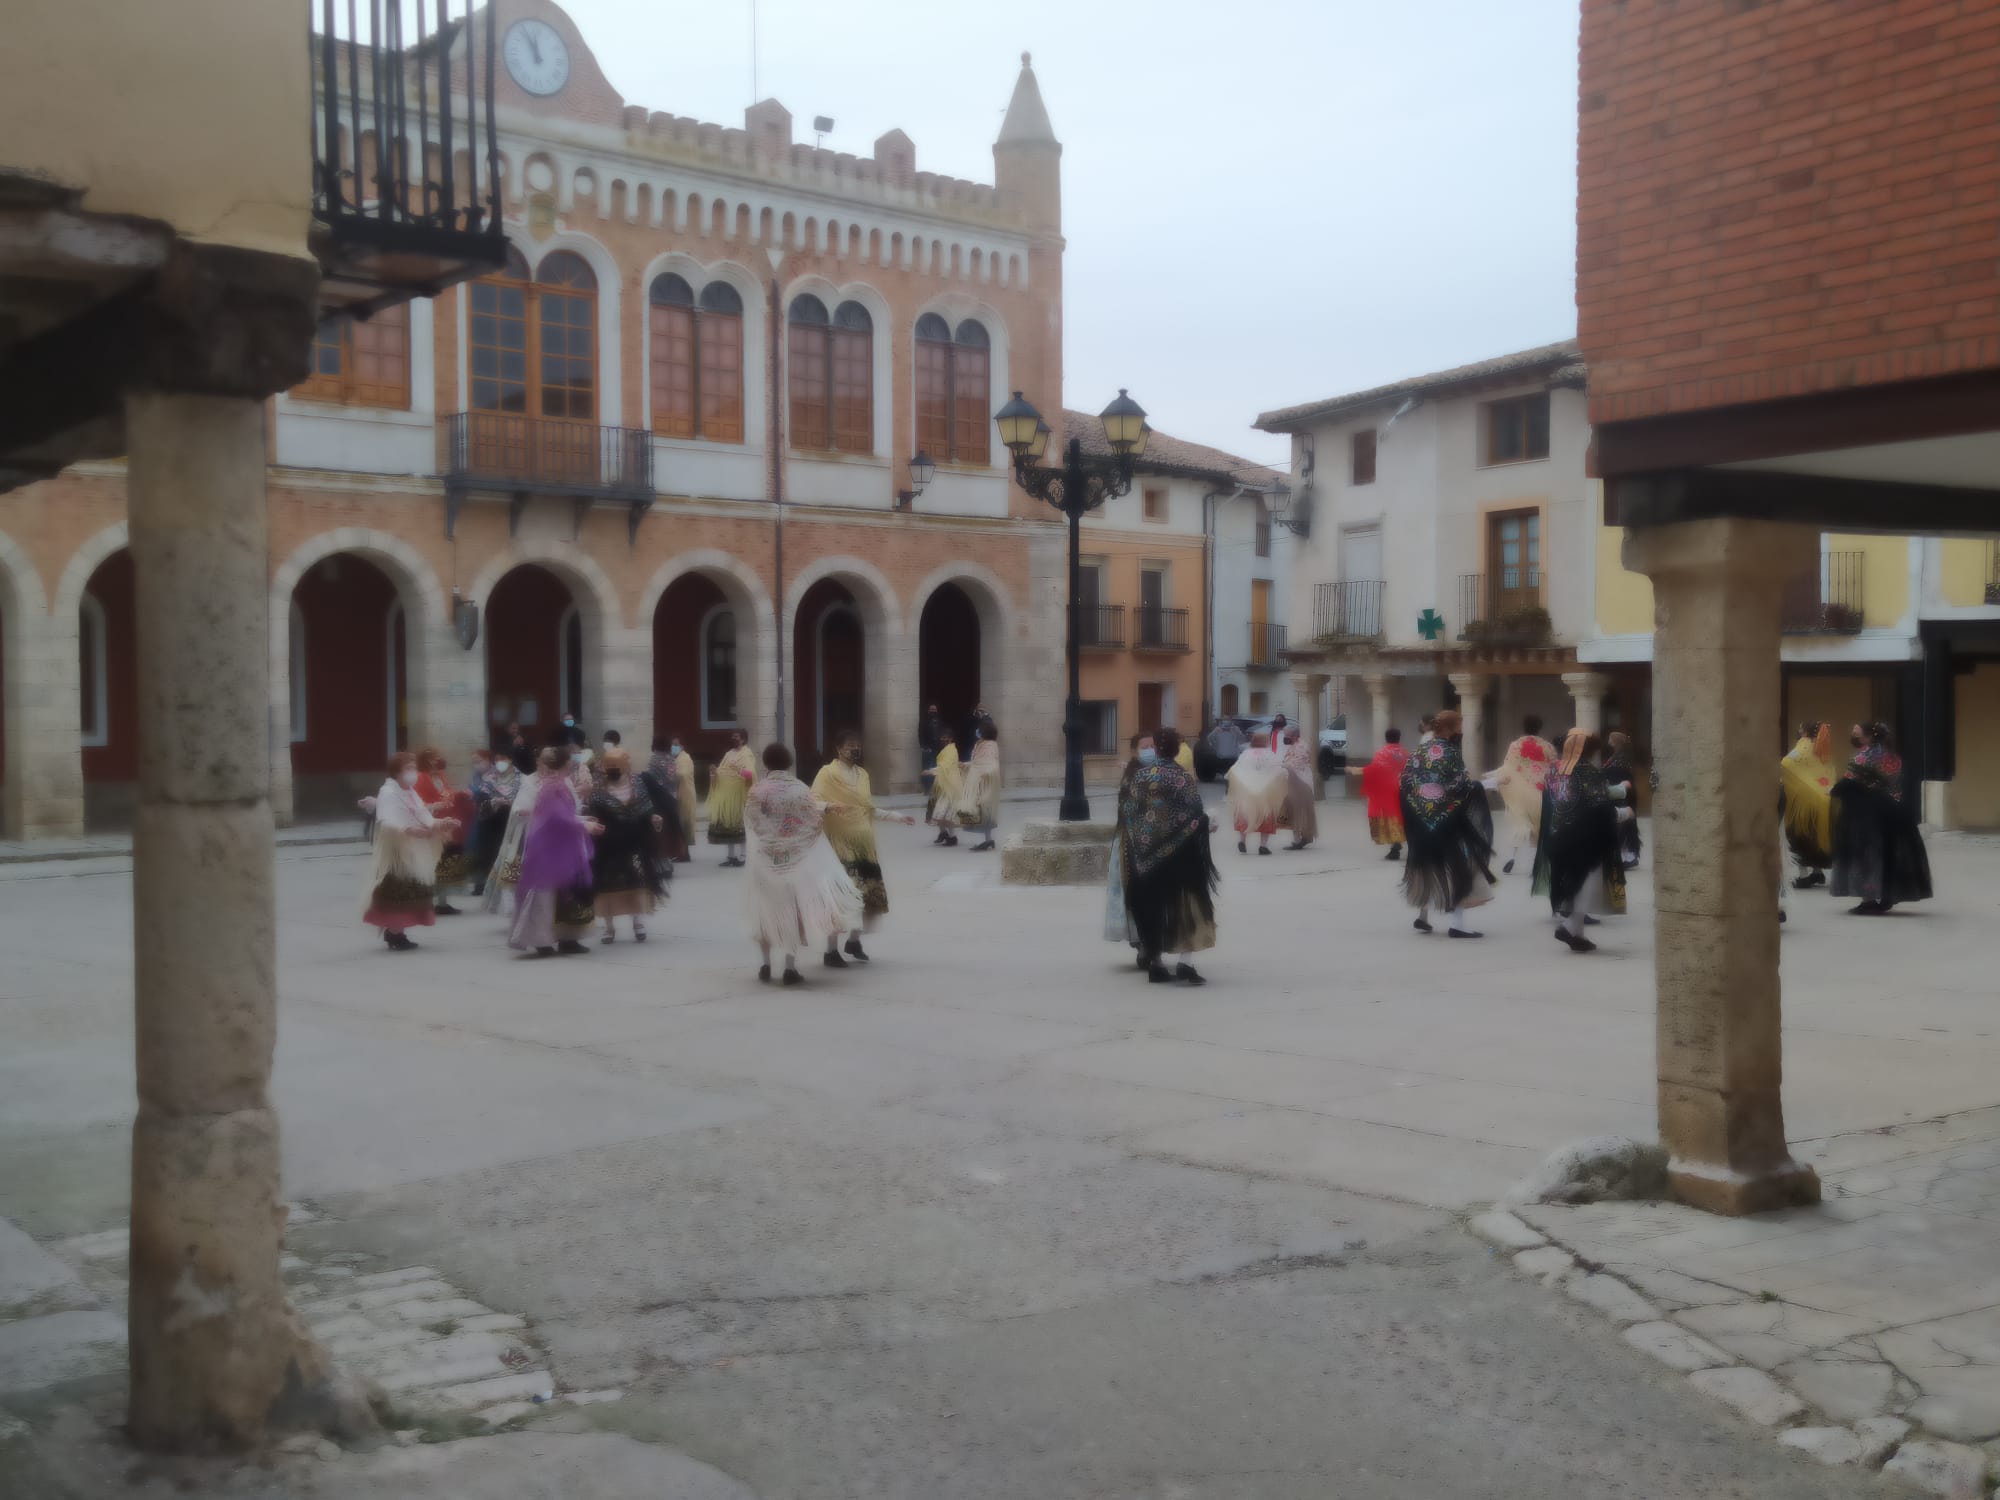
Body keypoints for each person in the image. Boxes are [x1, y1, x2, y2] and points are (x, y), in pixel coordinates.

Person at [744, 742, 864, 986]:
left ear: (766, 762)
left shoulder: (758, 791)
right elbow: (811, 818)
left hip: (766, 857)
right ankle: (789, 968)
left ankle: (766, 965)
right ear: (789, 762)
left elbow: (753, 820)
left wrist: (771, 838)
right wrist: (796, 835)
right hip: (793, 859)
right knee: (791, 910)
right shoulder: (799, 789)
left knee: (765, 910)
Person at [1120, 727, 1218, 985]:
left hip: (1143, 856)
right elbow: (1194, 811)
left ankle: (1156, 961)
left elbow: (1129, 810)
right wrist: (1204, 823)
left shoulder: (1140, 776)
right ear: (1176, 749)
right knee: (1187, 903)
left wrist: (1142, 840)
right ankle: (1185, 962)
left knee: (1152, 906)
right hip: (1179, 854)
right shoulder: (1180, 778)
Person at [809, 731, 914, 965]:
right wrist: (828, 806)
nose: (855, 749)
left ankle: (854, 941)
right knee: (838, 899)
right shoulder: (827, 774)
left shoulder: (863, 775)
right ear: (839, 748)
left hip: (865, 846)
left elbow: (869, 808)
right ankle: (830, 950)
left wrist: (897, 817)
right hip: (839, 846)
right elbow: (811, 802)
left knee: (866, 897)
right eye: (850, 745)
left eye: (858, 745)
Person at [1532, 730, 1633, 954]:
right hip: (1584, 838)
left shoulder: (1554, 770)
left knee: (1572, 883)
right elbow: (1599, 806)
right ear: (1592, 750)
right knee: (1587, 883)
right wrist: (1623, 813)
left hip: (1558, 835)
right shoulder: (1589, 772)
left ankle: (1578, 935)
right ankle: (1569, 927)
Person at [1400, 709, 1497, 939]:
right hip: (1447, 819)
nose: (1462, 730)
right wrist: (1485, 785)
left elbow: (1404, 780)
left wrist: (1421, 802)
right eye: (1460, 726)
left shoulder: (1419, 751)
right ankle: (1458, 924)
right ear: (1452, 728)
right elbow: (1461, 787)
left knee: (1426, 862)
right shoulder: (1451, 753)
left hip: (1422, 818)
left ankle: (1423, 916)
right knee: (1459, 865)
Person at [1830, 721, 1933, 915]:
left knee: (1867, 855)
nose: (1853, 733)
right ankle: (1888, 895)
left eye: (1857, 732)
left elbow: (1848, 782)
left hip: (1867, 814)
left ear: (1868, 736)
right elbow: (1897, 784)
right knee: (1890, 853)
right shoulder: (1893, 757)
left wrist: (1835, 790)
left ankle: (1868, 899)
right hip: (1894, 811)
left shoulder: (1863, 757)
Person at [509, 745, 602, 957]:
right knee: (544, 895)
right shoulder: (551, 787)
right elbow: (556, 817)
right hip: (548, 847)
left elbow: (564, 815)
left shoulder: (561, 784)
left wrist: (582, 820)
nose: (573, 763)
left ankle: (567, 937)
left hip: (562, 844)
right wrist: (583, 825)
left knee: (564, 893)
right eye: (571, 760)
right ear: (565, 763)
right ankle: (542, 941)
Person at [362, 752, 459, 951]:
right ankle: (395, 932)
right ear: (397, 771)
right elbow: (387, 820)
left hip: (415, 847)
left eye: (414, 768)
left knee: (412, 889)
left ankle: (397, 931)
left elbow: (423, 814)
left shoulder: (411, 792)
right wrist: (409, 830)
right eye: (408, 768)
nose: (413, 773)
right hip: (398, 850)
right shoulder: (389, 791)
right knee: (398, 889)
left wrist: (442, 823)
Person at [587, 747, 665, 943]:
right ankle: (609, 927)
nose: (612, 770)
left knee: (638, 880)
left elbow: (646, 808)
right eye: (609, 767)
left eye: (616, 766)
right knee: (606, 885)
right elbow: (595, 814)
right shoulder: (598, 788)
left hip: (635, 839)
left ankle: (638, 922)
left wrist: (653, 818)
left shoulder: (637, 783)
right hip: (608, 843)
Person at [1482, 715, 1556, 875]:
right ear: (1539, 727)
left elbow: (1508, 767)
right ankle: (1534, 865)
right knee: (1538, 828)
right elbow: (1553, 769)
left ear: (1524, 726)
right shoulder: (1548, 747)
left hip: (1520, 793)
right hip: (1540, 792)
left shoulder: (1515, 745)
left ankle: (1512, 856)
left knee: (1520, 823)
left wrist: (1497, 779)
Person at [414, 747, 477, 915]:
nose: (439, 760)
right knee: (431, 864)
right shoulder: (420, 778)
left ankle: (442, 903)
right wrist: (435, 806)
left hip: (445, 824)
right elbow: (418, 804)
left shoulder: (441, 775)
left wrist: (459, 795)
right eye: (435, 758)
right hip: (431, 825)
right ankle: (425, 903)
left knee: (444, 864)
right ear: (427, 760)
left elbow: (446, 793)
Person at [1103, 733, 1149, 961]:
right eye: (1145, 746)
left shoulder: (1160, 771)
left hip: (1154, 842)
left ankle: (1149, 942)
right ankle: (1140, 941)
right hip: (1129, 840)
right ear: (1134, 750)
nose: (1150, 749)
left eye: (1153, 746)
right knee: (1132, 890)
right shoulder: (1131, 773)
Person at [1780, 721, 1837, 889]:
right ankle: (1818, 872)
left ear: (1804, 731)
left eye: (1799, 727)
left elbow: (1787, 764)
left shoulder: (1803, 747)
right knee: (1817, 837)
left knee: (1800, 836)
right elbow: (1829, 770)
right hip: (1823, 798)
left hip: (1802, 802)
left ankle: (1803, 876)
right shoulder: (1822, 748)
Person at [1226, 728, 1289, 855]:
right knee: (1266, 817)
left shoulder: (1246, 754)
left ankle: (1242, 841)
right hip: (1265, 793)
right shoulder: (1270, 754)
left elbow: (1235, 769)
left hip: (1247, 792)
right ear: (1265, 742)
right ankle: (1263, 846)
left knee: (1245, 816)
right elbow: (1278, 770)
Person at [466, 747, 519, 897]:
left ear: (510, 759)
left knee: (506, 851)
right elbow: (480, 796)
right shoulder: (489, 776)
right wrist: (489, 800)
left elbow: (522, 797)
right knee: (487, 851)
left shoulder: (519, 777)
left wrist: (509, 802)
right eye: (497, 760)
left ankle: (505, 886)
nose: (500, 763)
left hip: (508, 818)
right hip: (488, 819)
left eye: (503, 759)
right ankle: (485, 884)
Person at [707, 730, 758, 866]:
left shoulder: (747, 754)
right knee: (728, 826)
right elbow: (722, 771)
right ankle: (731, 856)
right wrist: (714, 772)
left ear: (743, 739)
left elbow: (750, 774)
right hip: (727, 796)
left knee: (740, 826)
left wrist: (738, 769)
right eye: (732, 736)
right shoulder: (728, 754)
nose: (733, 738)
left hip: (740, 796)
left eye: (736, 737)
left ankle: (743, 856)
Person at [1362, 729, 1408, 860]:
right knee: (1400, 816)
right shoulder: (1405, 753)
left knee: (1388, 817)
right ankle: (1399, 842)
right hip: (1402, 788)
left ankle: (1395, 844)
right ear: (1399, 738)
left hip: (1387, 790)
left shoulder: (1381, 753)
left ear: (1386, 738)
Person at [644, 736, 690, 864]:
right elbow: (673, 778)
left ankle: (665, 852)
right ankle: (682, 852)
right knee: (674, 824)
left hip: (658, 796)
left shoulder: (654, 759)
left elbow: (650, 778)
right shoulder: (670, 759)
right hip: (671, 795)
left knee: (663, 826)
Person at [958, 722, 1003, 851]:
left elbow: (992, 763)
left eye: (980, 730)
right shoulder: (980, 744)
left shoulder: (991, 745)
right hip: (977, 781)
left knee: (984, 809)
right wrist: (965, 764)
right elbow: (977, 762)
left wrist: (986, 772)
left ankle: (988, 841)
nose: (978, 732)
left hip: (985, 782)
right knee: (981, 810)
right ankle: (988, 840)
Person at [1603, 731, 1642, 869]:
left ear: (1615, 741)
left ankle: (1630, 856)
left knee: (1626, 825)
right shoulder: (1617, 756)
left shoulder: (1621, 758)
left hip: (1624, 793)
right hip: (1621, 791)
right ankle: (1626, 856)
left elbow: (1616, 774)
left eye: (1610, 738)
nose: (1608, 740)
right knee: (1623, 825)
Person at [1279, 725, 1318, 851]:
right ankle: (1300, 838)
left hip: (1302, 782)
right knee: (1294, 810)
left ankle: (1301, 839)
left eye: (1287, 735)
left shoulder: (1301, 747)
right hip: (1294, 781)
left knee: (1299, 810)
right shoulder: (1293, 746)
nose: (1285, 738)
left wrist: (1280, 766)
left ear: (1294, 736)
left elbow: (1295, 764)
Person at [922, 730, 964, 847]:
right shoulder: (947, 749)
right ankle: (944, 833)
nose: (942, 740)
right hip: (941, 784)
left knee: (945, 813)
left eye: (945, 737)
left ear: (950, 738)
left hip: (949, 786)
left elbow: (944, 767)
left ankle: (952, 837)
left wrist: (930, 771)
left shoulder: (951, 750)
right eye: (942, 737)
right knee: (938, 811)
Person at [672, 734, 699, 859]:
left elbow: (682, 774)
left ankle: (684, 853)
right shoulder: (676, 758)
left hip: (686, 794)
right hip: (680, 793)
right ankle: (682, 852)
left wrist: (670, 773)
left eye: (676, 745)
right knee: (680, 823)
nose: (674, 747)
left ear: (682, 746)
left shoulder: (685, 758)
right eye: (672, 745)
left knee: (684, 823)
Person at [920, 704, 946, 820]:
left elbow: (942, 734)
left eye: (934, 709)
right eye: (931, 709)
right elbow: (920, 734)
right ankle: (927, 788)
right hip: (928, 749)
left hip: (938, 749)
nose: (933, 711)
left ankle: (936, 788)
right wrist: (923, 746)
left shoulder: (940, 721)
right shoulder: (924, 721)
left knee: (936, 769)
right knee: (928, 768)